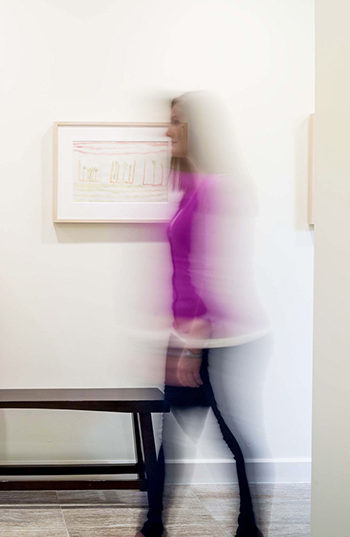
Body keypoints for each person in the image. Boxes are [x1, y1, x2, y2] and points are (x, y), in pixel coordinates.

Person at [138, 92, 269, 537]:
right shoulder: (187, 187)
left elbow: (206, 269)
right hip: (190, 333)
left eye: (174, 122)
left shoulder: (212, 186)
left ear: (195, 128)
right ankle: (155, 526)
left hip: (213, 337)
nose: (166, 130)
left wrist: (191, 344)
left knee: (228, 436)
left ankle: (245, 526)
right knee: (176, 439)